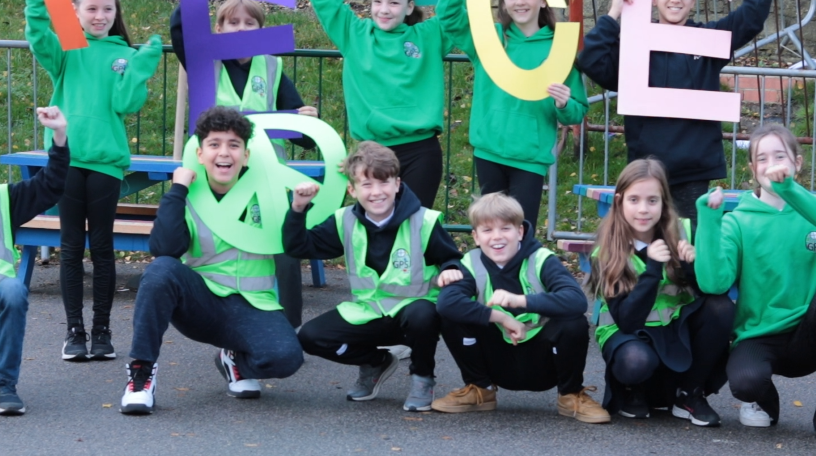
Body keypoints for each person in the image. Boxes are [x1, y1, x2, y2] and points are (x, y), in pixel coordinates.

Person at [578, 0, 774, 226]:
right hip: (646, 169)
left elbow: (752, 16)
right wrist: (613, 13)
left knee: (688, 255)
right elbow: (591, 60)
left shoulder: (709, 40)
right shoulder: (635, 43)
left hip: (694, 170)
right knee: (650, 255)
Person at [119, 107, 302, 415]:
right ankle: (141, 374)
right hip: (203, 302)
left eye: (233, 144)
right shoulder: (189, 195)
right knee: (161, 269)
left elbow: (299, 242)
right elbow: (165, 248)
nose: (224, 152)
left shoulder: (267, 194)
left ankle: (234, 359)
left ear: (246, 155)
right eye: (215, 144)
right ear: (200, 154)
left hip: (255, 304)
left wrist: (302, 208)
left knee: (286, 359)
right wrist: (177, 191)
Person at [26, 0, 163, 361]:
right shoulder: (68, 49)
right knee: (71, 248)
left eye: (108, 10)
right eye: (92, 9)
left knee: (102, 249)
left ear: (116, 14)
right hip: (67, 162)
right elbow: (37, 36)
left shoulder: (124, 55)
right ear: (76, 12)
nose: (101, 16)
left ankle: (102, 332)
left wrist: (141, 65)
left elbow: (126, 103)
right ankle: (74, 333)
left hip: (104, 164)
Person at [170, 0, 318, 329]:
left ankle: (289, 325)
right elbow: (179, 28)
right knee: (220, 249)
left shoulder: (271, 66)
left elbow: (295, 127)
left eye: (249, 23)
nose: (241, 29)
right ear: (218, 29)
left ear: (261, 30)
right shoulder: (206, 62)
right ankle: (220, 320)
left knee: (281, 245)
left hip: (265, 174)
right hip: (216, 175)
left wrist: (305, 120)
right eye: (232, 23)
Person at [283, 141, 462, 412]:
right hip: (369, 312)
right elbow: (299, 247)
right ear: (352, 189)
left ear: (397, 184)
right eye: (366, 185)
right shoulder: (345, 220)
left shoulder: (423, 221)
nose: (376, 192)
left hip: (414, 313)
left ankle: (422, 377)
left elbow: (450, 258)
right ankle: (376, 361)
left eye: (383, 183)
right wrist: (298, 209)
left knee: (422, 315)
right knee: (310, 336)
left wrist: (449, 269)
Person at [308, 0, 461, 209]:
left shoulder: (428, 36)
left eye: (393, 3)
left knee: (414, 228)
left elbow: (455, 7)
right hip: (371, 150)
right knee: (376, 229)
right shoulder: (354, 33)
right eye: (377, 2)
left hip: (420, 150)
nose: (384, 10)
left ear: (409, 7)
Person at [436, 0, 588, 230]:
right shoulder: (489, 38)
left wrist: (564, 103)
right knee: (490, 230)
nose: (521, 1)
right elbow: (447, 13)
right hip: (489, 151)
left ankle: (524, 276)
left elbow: (577, 112)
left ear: (543, 0)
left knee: (521, 231)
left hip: (530, 158)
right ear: (503, 2)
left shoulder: (561, 47)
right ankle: (489, 277)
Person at [431, 193, 609, 423]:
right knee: (451, 314)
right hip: (498, 358)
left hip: (543, 360)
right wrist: (501, 318)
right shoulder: (471, 262)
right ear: (475, 236)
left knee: (573, 321)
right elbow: (447, 303)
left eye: (505, 228)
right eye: (487, 230)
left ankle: (570, 393)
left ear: (520, 232)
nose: (497, 237)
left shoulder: (541, 259)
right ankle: (480, 388)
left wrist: (520, 301)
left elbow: (577, 300)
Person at [588, 158, 734, 426]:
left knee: (721, 307)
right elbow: (628, 321)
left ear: (664, 202)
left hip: (675, 328)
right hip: (629, 334)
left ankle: (690, 393)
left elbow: (709, 291)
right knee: (636, 361)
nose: (643, 209)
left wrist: (691, 267)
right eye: (634, 200)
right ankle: (634, 392)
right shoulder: (607, 250)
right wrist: (653, 267)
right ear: (619, 201)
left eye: (652, 201)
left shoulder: (683, 231)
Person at [696, 124, 816, 431]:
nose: (772, 164)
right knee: (746, 382)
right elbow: (714, 283)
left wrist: (789, 190)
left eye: (780, 155)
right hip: (760, 334)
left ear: (797, 163)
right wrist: (709, 221)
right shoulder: (738, 221)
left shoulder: (809, 210)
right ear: (752, 168)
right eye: (762, 158)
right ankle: (763, 399)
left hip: (809, 330)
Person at [0, 107, 70, 415]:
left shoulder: (5, 197)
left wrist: (59, 135)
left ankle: (3, 385)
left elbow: (50, 185)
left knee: (13, 291)